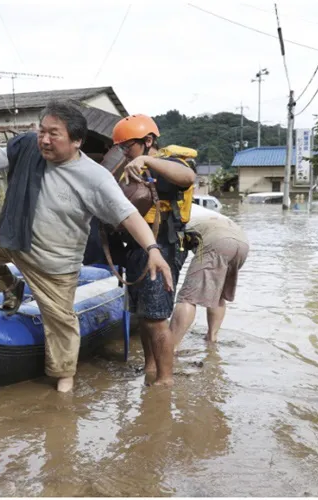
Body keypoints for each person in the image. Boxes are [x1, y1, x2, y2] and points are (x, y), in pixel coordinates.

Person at [0, 100, 173, 394]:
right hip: (13, 234)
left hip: (54, 263)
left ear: (76, 141)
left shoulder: (95, 178)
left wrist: (153, 250)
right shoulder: (28, 148)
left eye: (54, 134)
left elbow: (128, 215)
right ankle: (9, 285)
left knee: (60, 325)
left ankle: (64, 381)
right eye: (42, 131)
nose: (44, 139)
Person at [109, 114, 197, 386]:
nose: (125, 151)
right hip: (136, 248)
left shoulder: (168, 164)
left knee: (157, 318)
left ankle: (165, 380)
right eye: (121, 147)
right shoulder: (126, 168)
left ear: (148, 142)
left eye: (129, 146)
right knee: (144, 317)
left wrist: (147, 160)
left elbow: (188, 176)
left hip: (163, 248)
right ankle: (150, 369)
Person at [170, 204, 249, 346]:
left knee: (187, 298)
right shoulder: (195, 207)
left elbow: (177, 250)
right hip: (242, 240)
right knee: (217, 294)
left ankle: (171, 347)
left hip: (217, 239)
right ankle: (211, 339)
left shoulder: (173, 212)